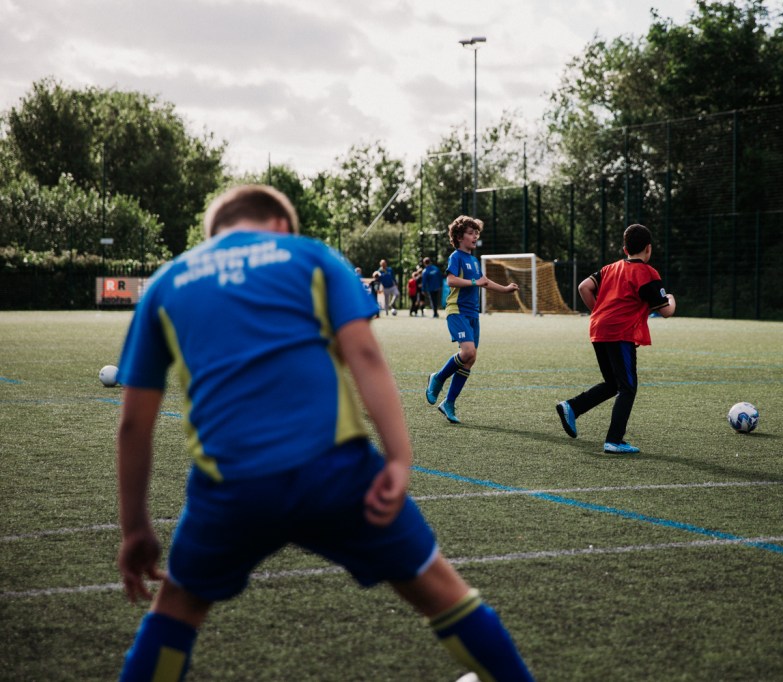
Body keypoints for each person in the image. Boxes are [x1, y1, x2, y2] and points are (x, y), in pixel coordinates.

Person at [114, 185, 533, 681]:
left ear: (214, 235)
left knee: (175, 611)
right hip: (337, 473)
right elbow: (365, 356)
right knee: (439, 591)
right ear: (280, 227)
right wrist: (399, 458)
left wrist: (135, 529)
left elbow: (133, 423)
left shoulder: (170, 281)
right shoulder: (311, 256)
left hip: (230, 486)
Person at [555, 223, 676, 454]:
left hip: (598, 329)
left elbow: (584, 287)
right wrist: (670, 297)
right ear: (649, 248)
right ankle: (614, 440)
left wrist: (599, 312)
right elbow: (666, 311)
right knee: (628, 387)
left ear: (625, 249)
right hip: (620, 333)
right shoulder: (647, 273)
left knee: (613, 383)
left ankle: (572, 407)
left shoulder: (610, 268)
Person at [425, 216, 519, 424]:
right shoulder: (456, 257)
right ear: (459, 237)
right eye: (470, 233)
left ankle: (449, 403)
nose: (475, 236)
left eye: (476, 233)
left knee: (470, 359)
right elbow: (451, 280)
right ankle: (438, 378)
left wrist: (505, 289)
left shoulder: (474, 261)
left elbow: (483, 282)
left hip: (473, 314)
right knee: (468, 352)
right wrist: (475, 282)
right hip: (457, 310)